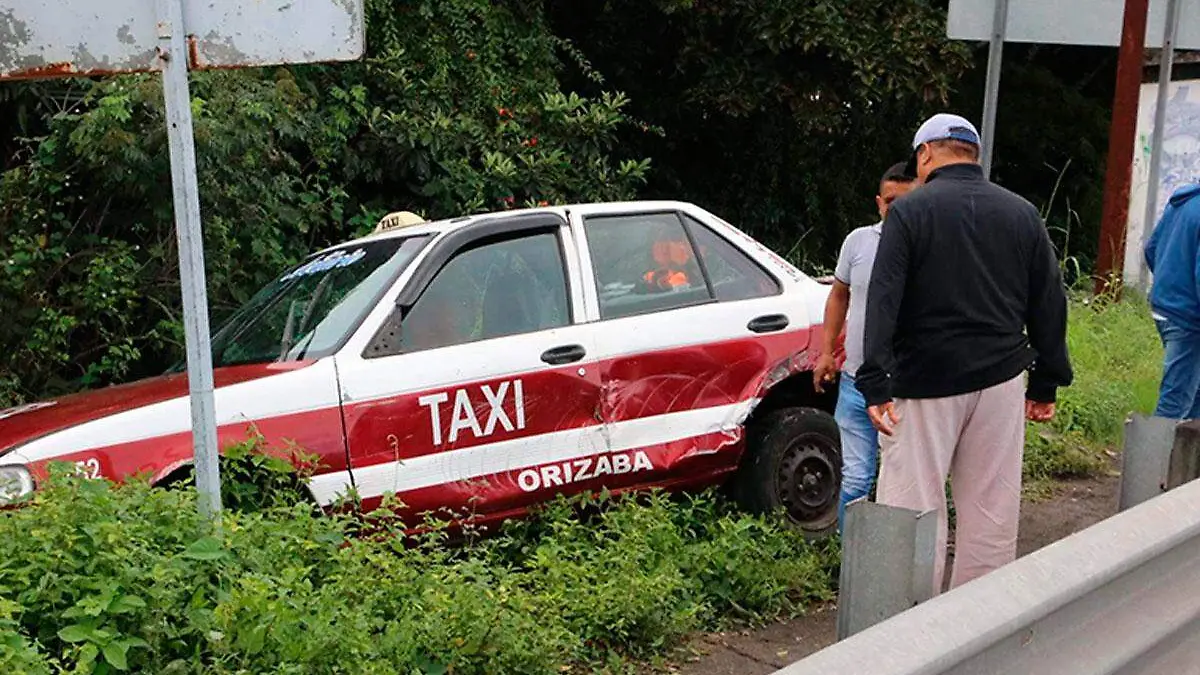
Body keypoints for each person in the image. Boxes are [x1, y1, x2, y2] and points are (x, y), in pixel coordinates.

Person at [855, 113, 1073, 592]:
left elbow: (883, 298)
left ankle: (909, 629)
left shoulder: (909, 212)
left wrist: (875, 379)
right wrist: (1046, 380)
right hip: (1000, 381)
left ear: (926, 153)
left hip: (924, 381)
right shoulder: (1021, 213)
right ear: (974, 155)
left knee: (913, 510)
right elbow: (1049, 300)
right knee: (991, 513)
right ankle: (975, 631)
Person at [813, 162, 917, 533]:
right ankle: (851, 560)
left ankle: (893, 563)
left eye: (907, 202)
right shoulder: (858, 242)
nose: (897, 210)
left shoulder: (929, 247)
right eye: (891, 202)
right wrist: (827, 352)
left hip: (903, 390)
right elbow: (839, 294)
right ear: (878, 203)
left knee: (900, 483)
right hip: (855, 382)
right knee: (855, 479)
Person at [1144, 182, 1200, 419]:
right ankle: (1153, 456)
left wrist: (1171, 286)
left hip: (1167, 306)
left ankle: (1186, 455)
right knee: (1175, 401)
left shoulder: (1185, 201)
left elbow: (1151, 248)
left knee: (1194, 393)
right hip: (1188, 318)